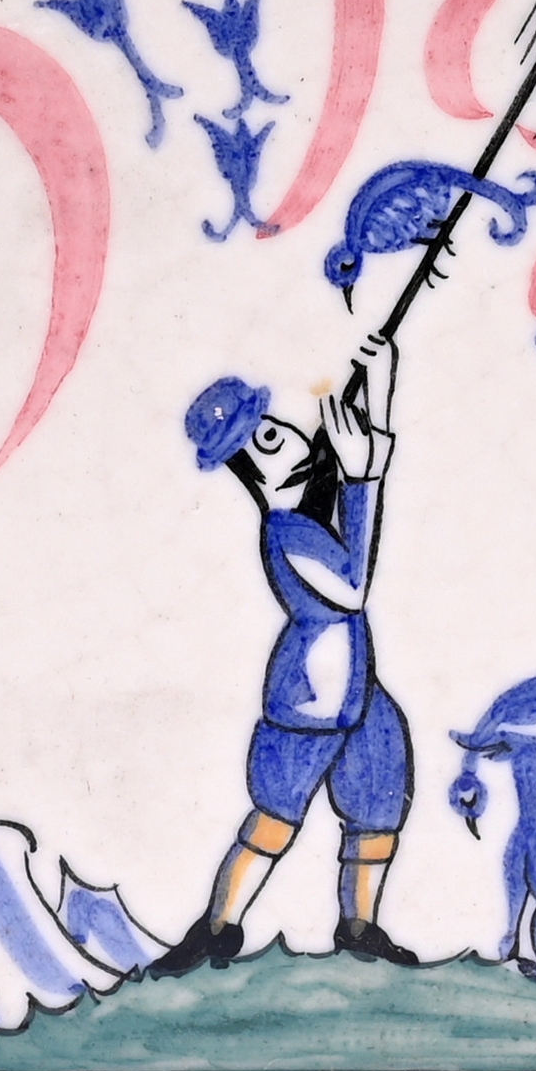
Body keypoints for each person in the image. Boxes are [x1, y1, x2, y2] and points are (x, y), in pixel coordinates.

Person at [153, 331, 417, 975]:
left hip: (358, 690)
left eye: (277, 426)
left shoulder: (311, 507)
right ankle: (216, 927)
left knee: (379, 797)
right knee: (278, 815)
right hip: (310, 697)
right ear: (251, 469)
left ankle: (360, 926)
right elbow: (352, 587)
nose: (295, 437)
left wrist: (380, 388)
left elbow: (361, 458)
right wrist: (363, 476)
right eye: (269, 437)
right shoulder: (288, 529)